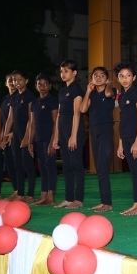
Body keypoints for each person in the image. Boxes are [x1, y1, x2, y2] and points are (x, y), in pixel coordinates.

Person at [52, 60, 87, 209]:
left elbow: (77, 114)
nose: (63, 74)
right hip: (63, 131)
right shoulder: (62, 91)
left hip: (75, 132)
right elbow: (59, 115)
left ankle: (78, 199)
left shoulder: (77, 89)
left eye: (66, 71)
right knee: (66, 166)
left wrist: (73, 135)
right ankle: (68, 198)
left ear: (74, 73)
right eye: (61, 71)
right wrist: (56, 136)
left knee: (76, 165)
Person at [81, 67, 116, 212]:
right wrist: (88, 91)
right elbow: (83, 109)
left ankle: (107, 203)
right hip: (94, 133)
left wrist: (108, 84)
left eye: (102, 75)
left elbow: (108, 94)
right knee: (99, 168)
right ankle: (104, 201)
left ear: (107, 79)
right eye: (95, 75)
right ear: (91, 79)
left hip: (106, 132)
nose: (99, 77)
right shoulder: (92, 94)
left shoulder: (111, 90)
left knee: (103, 166)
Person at [114, 62, 137, 216]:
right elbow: (123, 120)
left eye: (128, 76)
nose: (125, 79)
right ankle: (136, 203)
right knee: (133, 172)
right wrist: (120, 144)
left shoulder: (136, 93)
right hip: (125, 137)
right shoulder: (121, 96)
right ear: (118, 78)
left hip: (135, 138)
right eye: (121, 76)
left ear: (134, 77)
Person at [3, 71, 36, 202]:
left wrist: (27, 137)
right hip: (15, 134)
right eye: (14, 80)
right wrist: (5, 135)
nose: (16, 82)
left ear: (26, 81)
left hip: (26, 133)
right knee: (17, 163)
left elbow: (31, 119)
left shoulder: (30, 96)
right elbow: (10, 118)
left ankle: (30, 194)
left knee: (27, 164)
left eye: (19, 80)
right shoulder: (14, 97)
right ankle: (20, 193)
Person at [30, 73, 58, 205]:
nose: (42, 86)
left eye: (45, 84)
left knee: (50, 166)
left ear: (50, 86)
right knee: (41, 167)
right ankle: (43, 195)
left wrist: (53, 141)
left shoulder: (52, 100)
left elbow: (55, 122)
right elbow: (32, 124)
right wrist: (30, 141)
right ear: (36, 86)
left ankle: (51, 196)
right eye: (39, 84)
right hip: (38, 139)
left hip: (49, 138)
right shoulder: (34, 103)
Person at [0, 75, 18, 194]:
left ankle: (20, 190)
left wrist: (12, 133)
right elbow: (3, 120)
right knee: (9, 163)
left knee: (17, 163)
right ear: (5, 83)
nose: (12, 82)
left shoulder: (19, 97)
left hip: (16, 135)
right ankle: (16, 189)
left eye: (13, 80)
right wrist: (1, 136)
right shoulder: (5, 99)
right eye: (9, 80)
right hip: (6, 135)